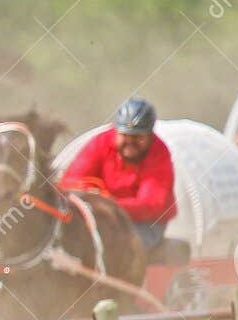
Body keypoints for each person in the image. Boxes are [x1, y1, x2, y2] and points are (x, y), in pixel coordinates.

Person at [59, 96, 177, 251]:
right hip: (101, 215)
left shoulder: (159, 153)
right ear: (116, 131)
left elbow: (151, 205)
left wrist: (106, 205)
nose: (130, 142)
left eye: (138, 137)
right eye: (125, 135)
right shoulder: (100, 143)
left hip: (145, 223)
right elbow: (71, 182)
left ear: (150, 136)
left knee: (119, 249)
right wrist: (93, 198)